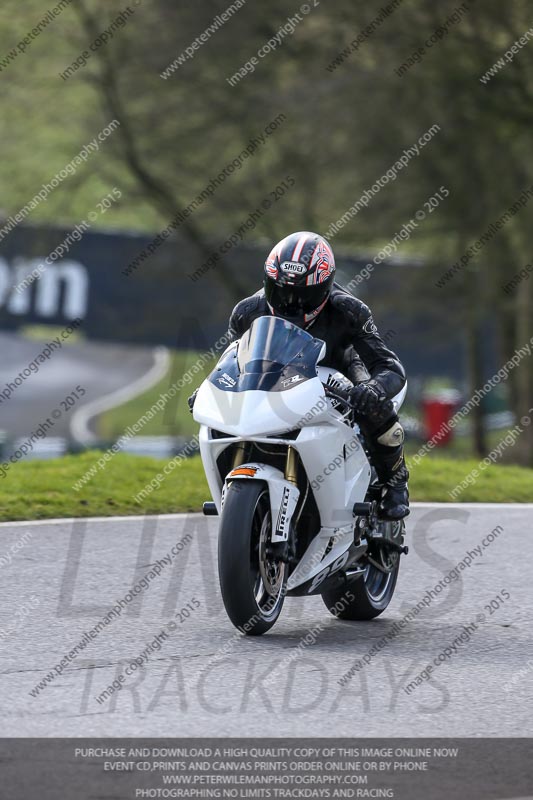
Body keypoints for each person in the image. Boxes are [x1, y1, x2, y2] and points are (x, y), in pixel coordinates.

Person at [191, 230, 409, 520]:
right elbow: (231, 360)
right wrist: (207, 390)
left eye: (303, 295)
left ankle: (395, 482)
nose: (291, 302)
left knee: (375, 407)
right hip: (277, 374)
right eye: (281, 291)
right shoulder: (247, 311)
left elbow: (389, 367)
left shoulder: (349, 310)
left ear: (326, 287)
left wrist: (372, 389)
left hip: (339, 368)